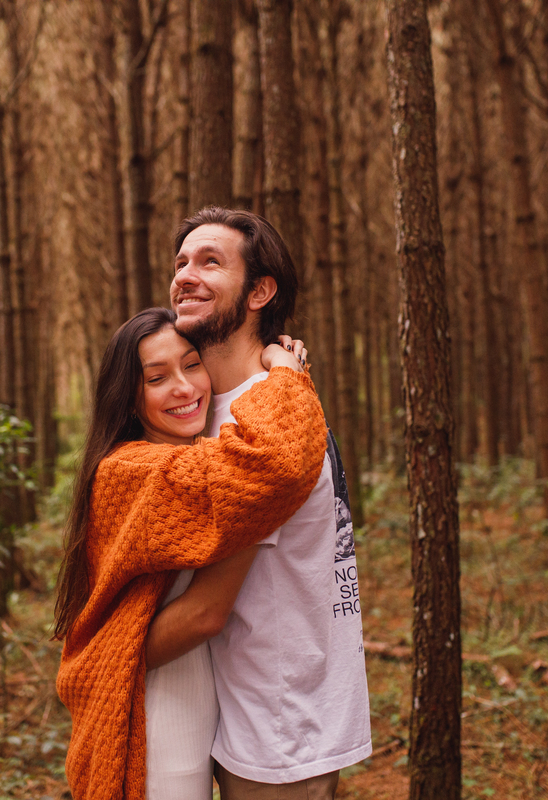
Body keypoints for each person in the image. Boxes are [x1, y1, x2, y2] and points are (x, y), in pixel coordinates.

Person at [54, 307, 326, 800]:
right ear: (130, 400)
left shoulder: (177, 464)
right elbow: (270, 474)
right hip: (159, 726)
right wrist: (283, 373)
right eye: (157, 378)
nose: (184, 388)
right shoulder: (134, 470)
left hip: (194, 715)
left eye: (192, 365)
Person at [150, 207, 372, 800]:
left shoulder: (264, 426)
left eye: (210, 262)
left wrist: (98, 655)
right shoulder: (269, 398)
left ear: (260, 291)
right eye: (181, 263)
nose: (185, 276)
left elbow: (206, 611)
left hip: (281, 727)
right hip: (267, 713)